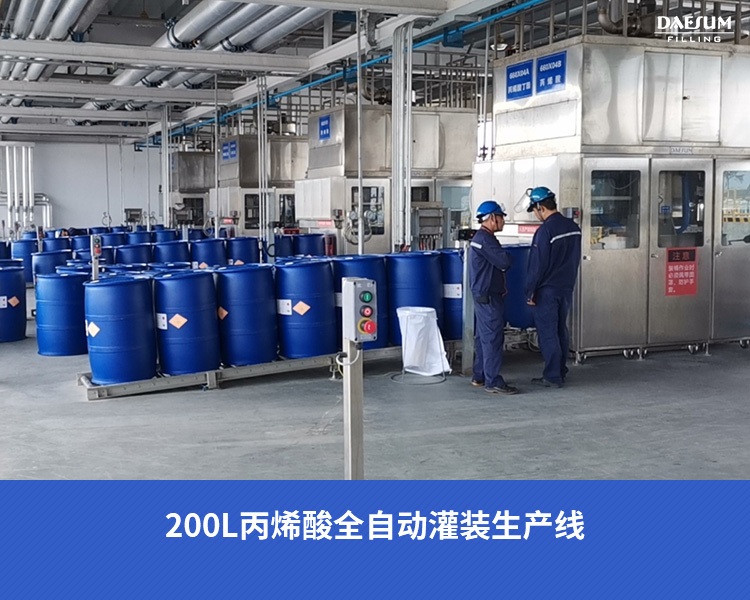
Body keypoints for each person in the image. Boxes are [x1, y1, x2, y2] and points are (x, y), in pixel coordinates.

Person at [525, 186, 582, 388]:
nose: (535, 215)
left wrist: (530, 291)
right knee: (560, 330)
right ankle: (560, 370)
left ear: (540, 207)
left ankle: (552, 376)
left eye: (534, 210)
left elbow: (537, 265)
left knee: (548, 332)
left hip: (547, 290)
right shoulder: (573, 227)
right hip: (566, 287)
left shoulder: (546, 231)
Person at [469, 200, 518, 395]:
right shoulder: (485, 240)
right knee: (492, 338)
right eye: (501, 217)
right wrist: (509, 257)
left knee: (484, 337)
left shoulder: (482, 238)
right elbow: (504, 261)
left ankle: (480, 375)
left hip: (484, 295)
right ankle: (493, 381)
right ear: (492, 218)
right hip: (489, 297)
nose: (503, 221)